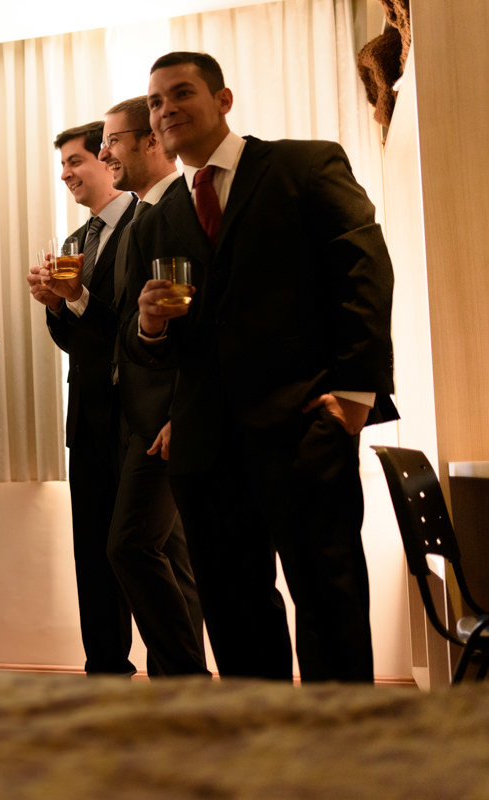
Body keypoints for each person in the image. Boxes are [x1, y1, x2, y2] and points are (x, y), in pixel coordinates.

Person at [127, 52, 396, 681]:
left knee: (328, 599)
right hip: (205, 450)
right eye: (156, 102)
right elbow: (153, 350)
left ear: (223, 100)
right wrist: (150, 325)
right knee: (234, 611)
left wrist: (355, 395)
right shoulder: (157, 220)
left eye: (181, 93)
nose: (166, 109)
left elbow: (363, 272)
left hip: (306, 426)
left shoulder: (305, 166)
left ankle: (347, 733)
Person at [94, 96, 208, 677]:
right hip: (140, 415)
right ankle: (178, 681)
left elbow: (204, 326)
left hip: (168, 419)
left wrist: (182, 413)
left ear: (152, 141)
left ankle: (186, 677)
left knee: (130, 546)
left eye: (112, 141)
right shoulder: (141, 216)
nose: (103, 154)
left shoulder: (184, 210)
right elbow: (132, 323)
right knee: (167, 555)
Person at [26, 123, 137, 675]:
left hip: (138, 417)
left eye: (74, 161)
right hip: (87, 419)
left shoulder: (147, 222)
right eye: (62, 165)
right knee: (92, 553)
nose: (66, 174)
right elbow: (77, 341)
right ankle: (105, 670)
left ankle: (177, 670)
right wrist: (56, 304)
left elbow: (130, 330)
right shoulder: (73, 243)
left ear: (107, 158)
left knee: (146, 553)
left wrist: (79, 298)